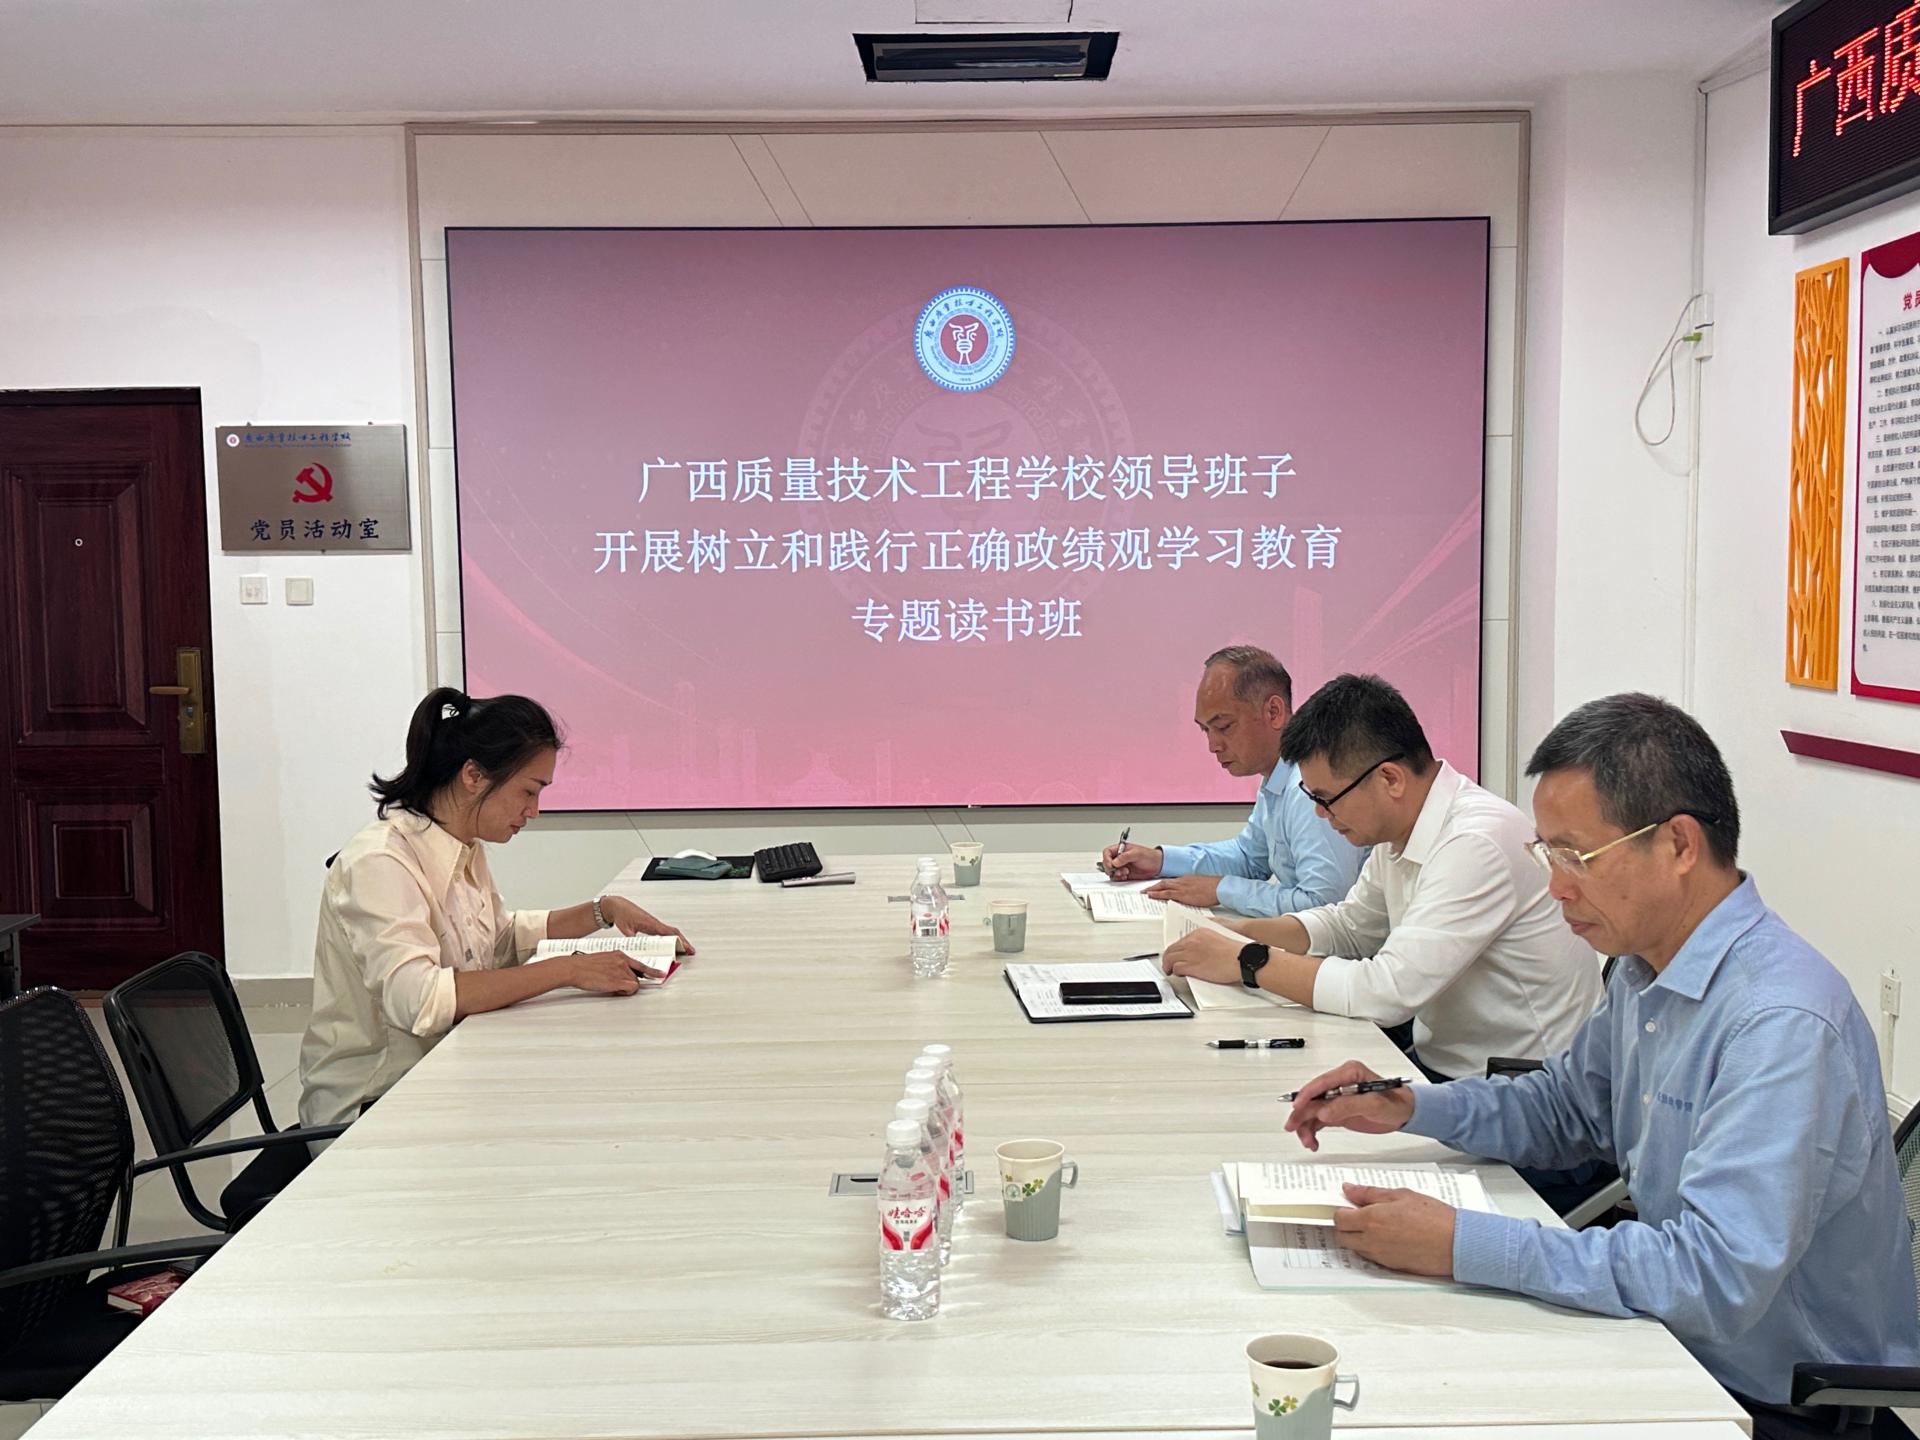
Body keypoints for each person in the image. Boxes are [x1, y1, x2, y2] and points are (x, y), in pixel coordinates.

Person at [1283, 693, 1920, 1437]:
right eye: (1546, 855)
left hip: (1775, 1407)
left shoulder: (1779, 1024)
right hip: (1668, 1348)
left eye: (1575, 857)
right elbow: (1565, 1109)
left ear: (1678, 845)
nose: (1556, 886)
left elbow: (1711, 1277)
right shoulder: (1647, 970)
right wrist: (1409, 1105)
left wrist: (1462, 1244)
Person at [1161, 672, 1601, 1081]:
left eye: (1326, 799)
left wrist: (1249, 961)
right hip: (1446, 1066)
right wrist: (1239, 934)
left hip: (1523, 1087)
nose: (1321, 814)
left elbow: (1389, 992)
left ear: (1390, 779)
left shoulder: (1475, 841)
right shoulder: (1405, 828)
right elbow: (1350, 927)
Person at [298, 688, 693, 1127]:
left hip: (444, 1072)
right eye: (528, 791)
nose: (534, 811)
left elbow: (500, 940)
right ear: (473, 775)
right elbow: (421, 1001)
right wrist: (569, 970)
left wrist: (604, 910)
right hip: (374, 1107)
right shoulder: (380, 862)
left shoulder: (461, 844)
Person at [1100, 646, 1362, 916]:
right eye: (1206, 730)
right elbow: (1249, 858)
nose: (1213, 745)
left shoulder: (1309, 786)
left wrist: (1221, 890)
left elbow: (1325, 905)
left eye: (1224, 727)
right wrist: (1159, 860)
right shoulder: (1278, 775)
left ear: (1273, 712)